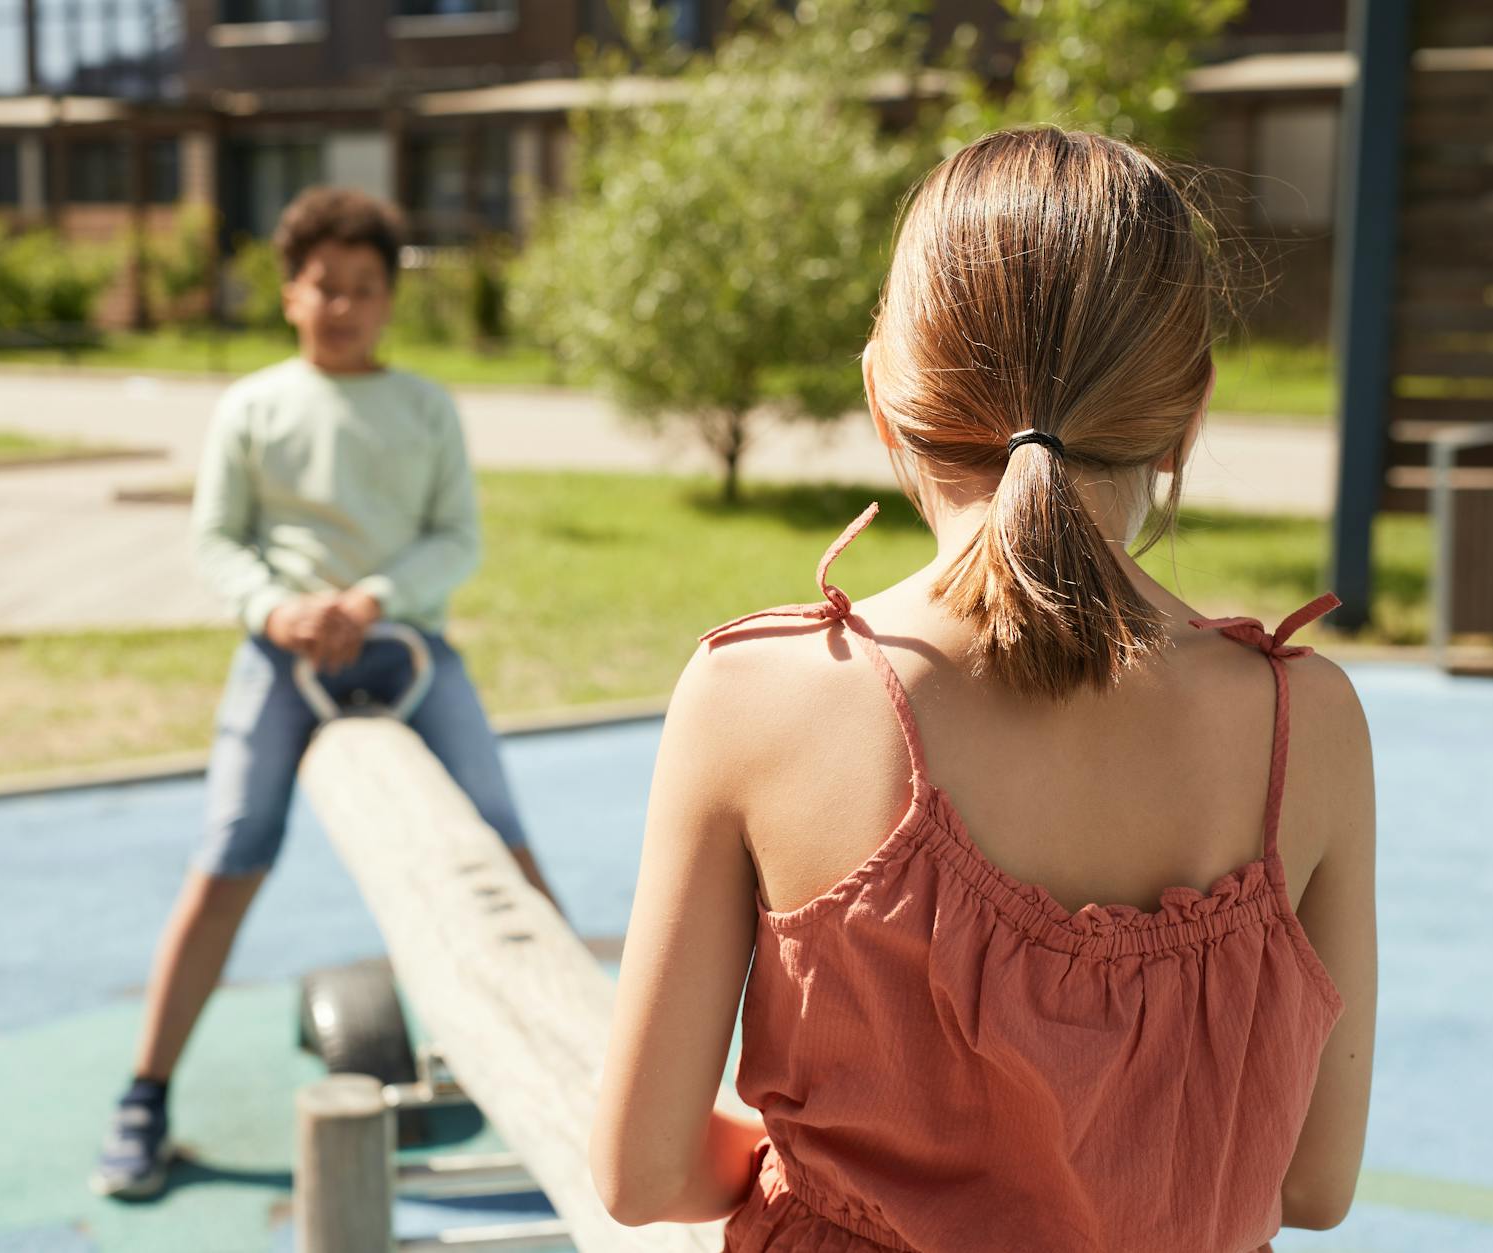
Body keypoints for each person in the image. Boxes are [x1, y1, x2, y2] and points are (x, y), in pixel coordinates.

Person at [590, 127, 1377, 1251]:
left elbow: (641, 1171)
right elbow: (1312, 1185)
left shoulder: (758, 696)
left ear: (882, 396)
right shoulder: (1310, 724)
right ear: (1187, 409)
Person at [90, 187, 557, 1199]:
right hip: (281, 658)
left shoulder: (426, 406)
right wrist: (273, 610)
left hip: (407, 650)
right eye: (322, 286)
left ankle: (601, 1069)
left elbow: (455, 536)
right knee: (227, 856)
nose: (342, 304)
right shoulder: (253, 406)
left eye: (362, 288)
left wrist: (375, 596)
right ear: (288, 293)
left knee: (500, 841)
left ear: (389, 298)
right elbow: (219, 538)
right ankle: (144, 1092)